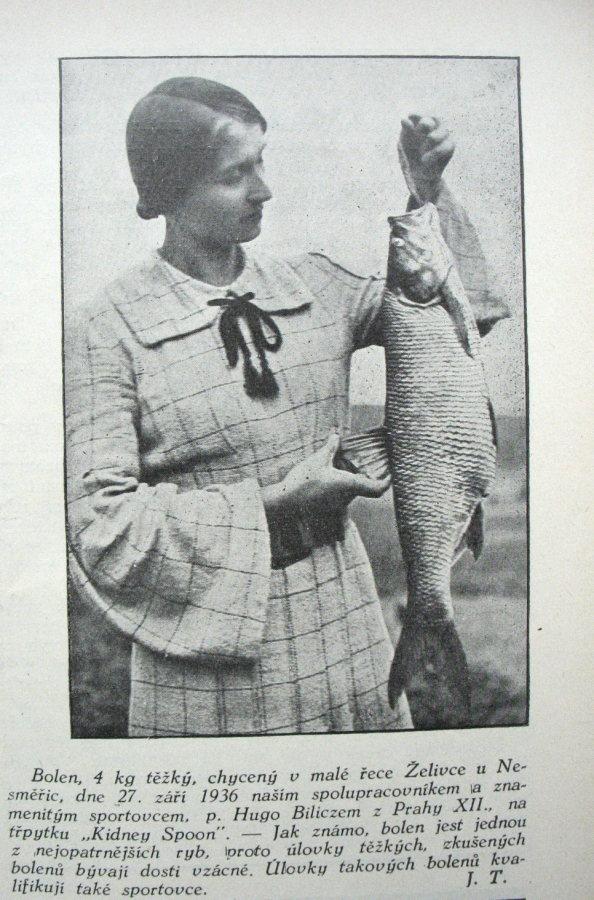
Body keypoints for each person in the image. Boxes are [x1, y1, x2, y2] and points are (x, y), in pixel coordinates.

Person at [65, 77, 507, 736]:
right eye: (234, 175)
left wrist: (429, 187)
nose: (264, 189)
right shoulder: (105, 328)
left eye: (262, 162)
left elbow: (463, 312)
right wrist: (273, 506)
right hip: (208, 662)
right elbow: (100, 527)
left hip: (352, 635)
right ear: (166, 190)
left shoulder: (314, 284)